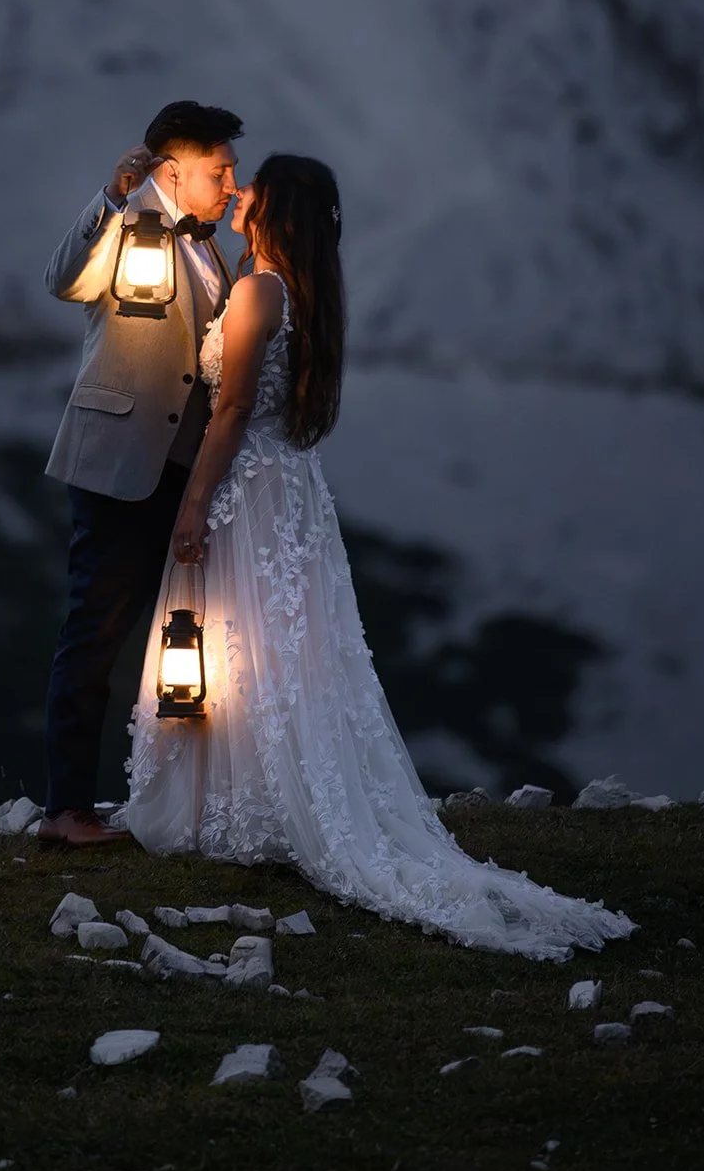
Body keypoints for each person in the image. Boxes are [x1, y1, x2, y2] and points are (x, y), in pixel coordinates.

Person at [123, 154, 637, 960]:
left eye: (253, 187)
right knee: (279, 647)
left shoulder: (259, 293)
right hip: (291, 487)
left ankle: (249, 803)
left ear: (276, 209)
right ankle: (262, 795)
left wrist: (192, 504)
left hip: (250, 486)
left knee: (243, 641)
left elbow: (232, 410)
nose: (239, 192)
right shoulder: (304, 294)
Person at [36, 101, 243, 847]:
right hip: (118, 467)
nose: (230, 185)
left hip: (187, 476)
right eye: (219, 171)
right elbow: (63, 280)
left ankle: (180, 803)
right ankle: (66, 810)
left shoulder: (214, 249)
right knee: (95, 634)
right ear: (173, 170)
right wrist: (111, 197)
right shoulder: (125, 223)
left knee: (193, 641)